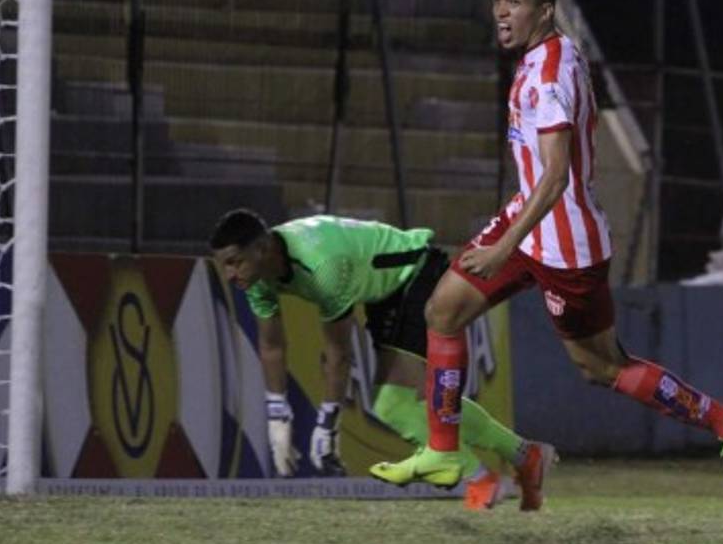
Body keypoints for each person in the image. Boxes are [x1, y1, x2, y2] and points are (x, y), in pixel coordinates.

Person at [370, 0, 723, 499]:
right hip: (528, 220)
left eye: (514, 3)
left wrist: (501, 249)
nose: (501, 13)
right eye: (497, 0)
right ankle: (443, 452)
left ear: (544, 9)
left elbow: (556, 176)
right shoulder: (543, 56)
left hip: (566, 245)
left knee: (602, 368)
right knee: (443, 311)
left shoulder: (551, 73)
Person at [209, 209, 552, 511]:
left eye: (234, 262)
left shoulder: (321, 265)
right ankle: (524, 456)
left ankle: (482, 476)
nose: (229, 275)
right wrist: (277, 415)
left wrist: (327, 425)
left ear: (263, 248)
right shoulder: (254, 277)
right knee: (402, 404)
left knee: (397, 405)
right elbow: (271, 347)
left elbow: (339, 354)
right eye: (224, 265)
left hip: (415, 273)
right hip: (383, 292)